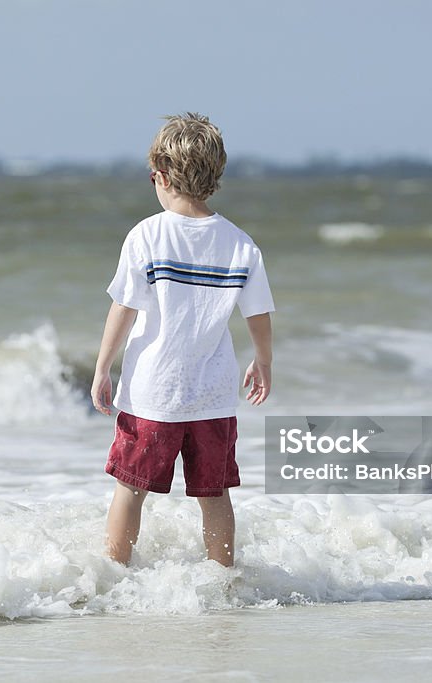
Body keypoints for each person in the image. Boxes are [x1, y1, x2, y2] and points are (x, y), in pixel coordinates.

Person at [90, 112, 275, 567]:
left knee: (130, 490)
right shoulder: (239, 244)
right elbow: (258, 314)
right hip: (212, 396)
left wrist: (102, 368)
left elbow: (124, 307)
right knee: (214, 495)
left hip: (154, 393)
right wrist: (263, 361)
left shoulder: (147, 235)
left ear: (164, 175)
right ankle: (221, 578)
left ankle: (113, 576)